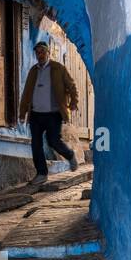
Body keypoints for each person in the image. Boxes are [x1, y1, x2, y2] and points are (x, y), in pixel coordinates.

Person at [18, 40, 79, 186]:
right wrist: (22, 112)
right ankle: (41, 174)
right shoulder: (33, 71)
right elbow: (26, 93)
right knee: (36, 144)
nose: (40, 55)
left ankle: (70, 155)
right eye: (37, 52)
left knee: (53, 141)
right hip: (36, 114)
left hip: (53, 113)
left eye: (42, 52)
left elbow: (72, 86)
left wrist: (73, 103)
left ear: (48, 52)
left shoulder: (58, 69)